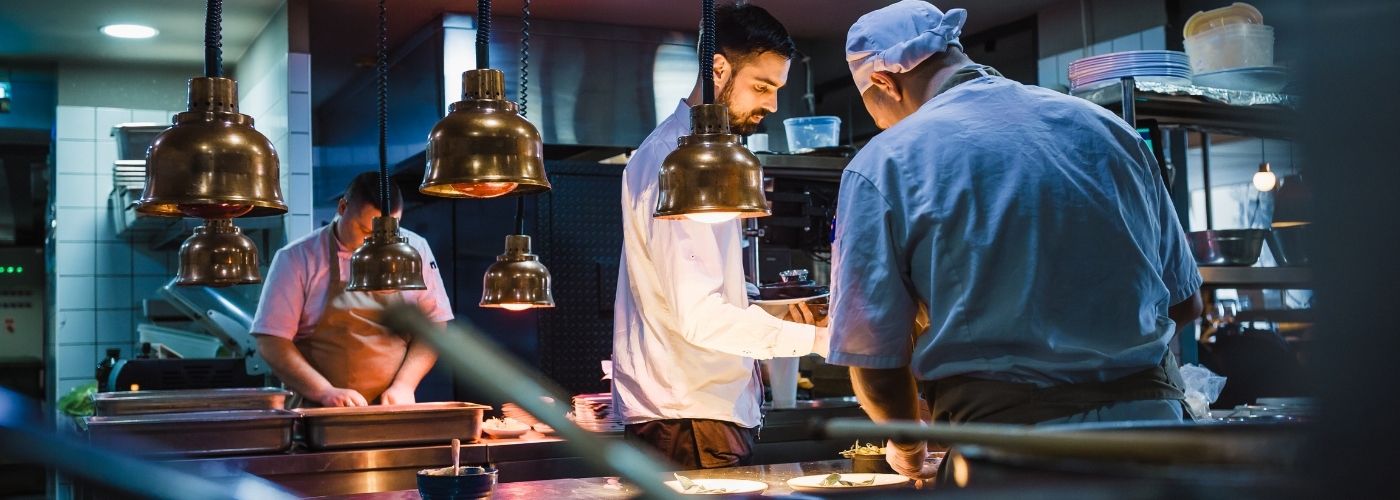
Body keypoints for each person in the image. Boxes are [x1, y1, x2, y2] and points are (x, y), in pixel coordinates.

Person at [825, 0, 1204, 479]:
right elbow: (1185, 304)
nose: (881, 122)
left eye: (874, 110)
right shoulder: (1110, 131)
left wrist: (907, 444)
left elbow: (875, 362)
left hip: (1011, 454)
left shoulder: (884, 163)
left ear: (884, 83)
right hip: (1156, 441)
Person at [612, 2, 829, 469]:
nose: (772, 104)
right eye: (761, 86)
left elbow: (698, 300)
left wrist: (772, 311)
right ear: (718, 68)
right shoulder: (680, 164)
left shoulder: (695, 156)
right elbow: (702, 318)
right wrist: (822, 340)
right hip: (689, 421)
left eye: (777, 89)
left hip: (690, 416)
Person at [250, 172, 453, 407]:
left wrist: (405, 385)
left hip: (393, 408)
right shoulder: (297, 258)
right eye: (366, 231)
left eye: (388, 233)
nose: (375, 243)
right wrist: (324, 391)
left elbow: (434, 325)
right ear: (343, 207)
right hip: (319, 412)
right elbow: (271, 340)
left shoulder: (415, 249)